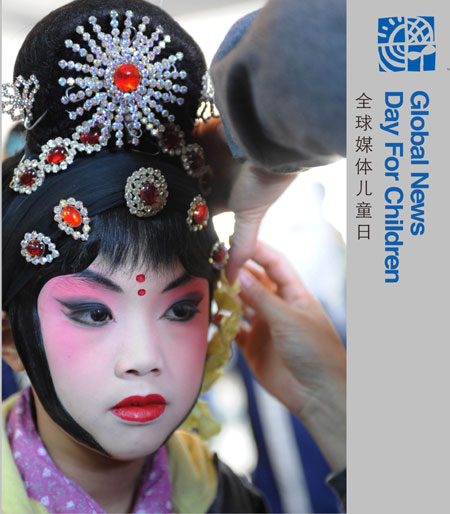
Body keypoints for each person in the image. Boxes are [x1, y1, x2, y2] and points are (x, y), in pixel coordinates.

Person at [2, 1, 268, 512]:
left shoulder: (230, 500)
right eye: (94, 313)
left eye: (182, 310)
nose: (144, 359)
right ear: (11, 337)